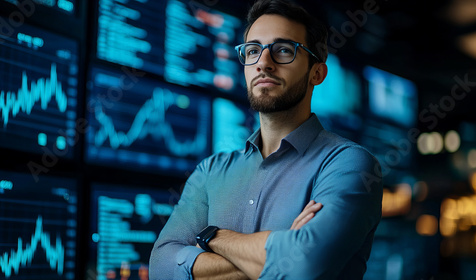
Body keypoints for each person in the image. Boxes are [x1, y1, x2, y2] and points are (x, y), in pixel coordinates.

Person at [149, 0, 383, 279]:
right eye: (253, 50)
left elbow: (303, 266)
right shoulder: (210, 172)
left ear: (316, 73)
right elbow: (160, 267)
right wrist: (278, 250)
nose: (264, 63)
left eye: (283, 50)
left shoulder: (349, 164)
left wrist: (212, 238)